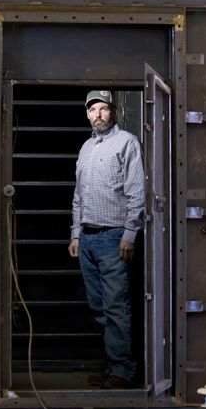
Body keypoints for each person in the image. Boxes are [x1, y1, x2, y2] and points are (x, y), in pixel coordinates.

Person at [68, 90, 145, 389]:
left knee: (116, 306)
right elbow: (79, 196)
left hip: (114, 238)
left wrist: (129, 234)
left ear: (113, 112)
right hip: (87, 238)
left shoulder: (127, 142)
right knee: (99, 306)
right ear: (87, 114)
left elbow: (136, 191)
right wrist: (76, 234)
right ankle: (114, 364)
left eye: (103, 109)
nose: (97, 115)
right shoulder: (86, 148)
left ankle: (123, 371)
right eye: (92, 110)